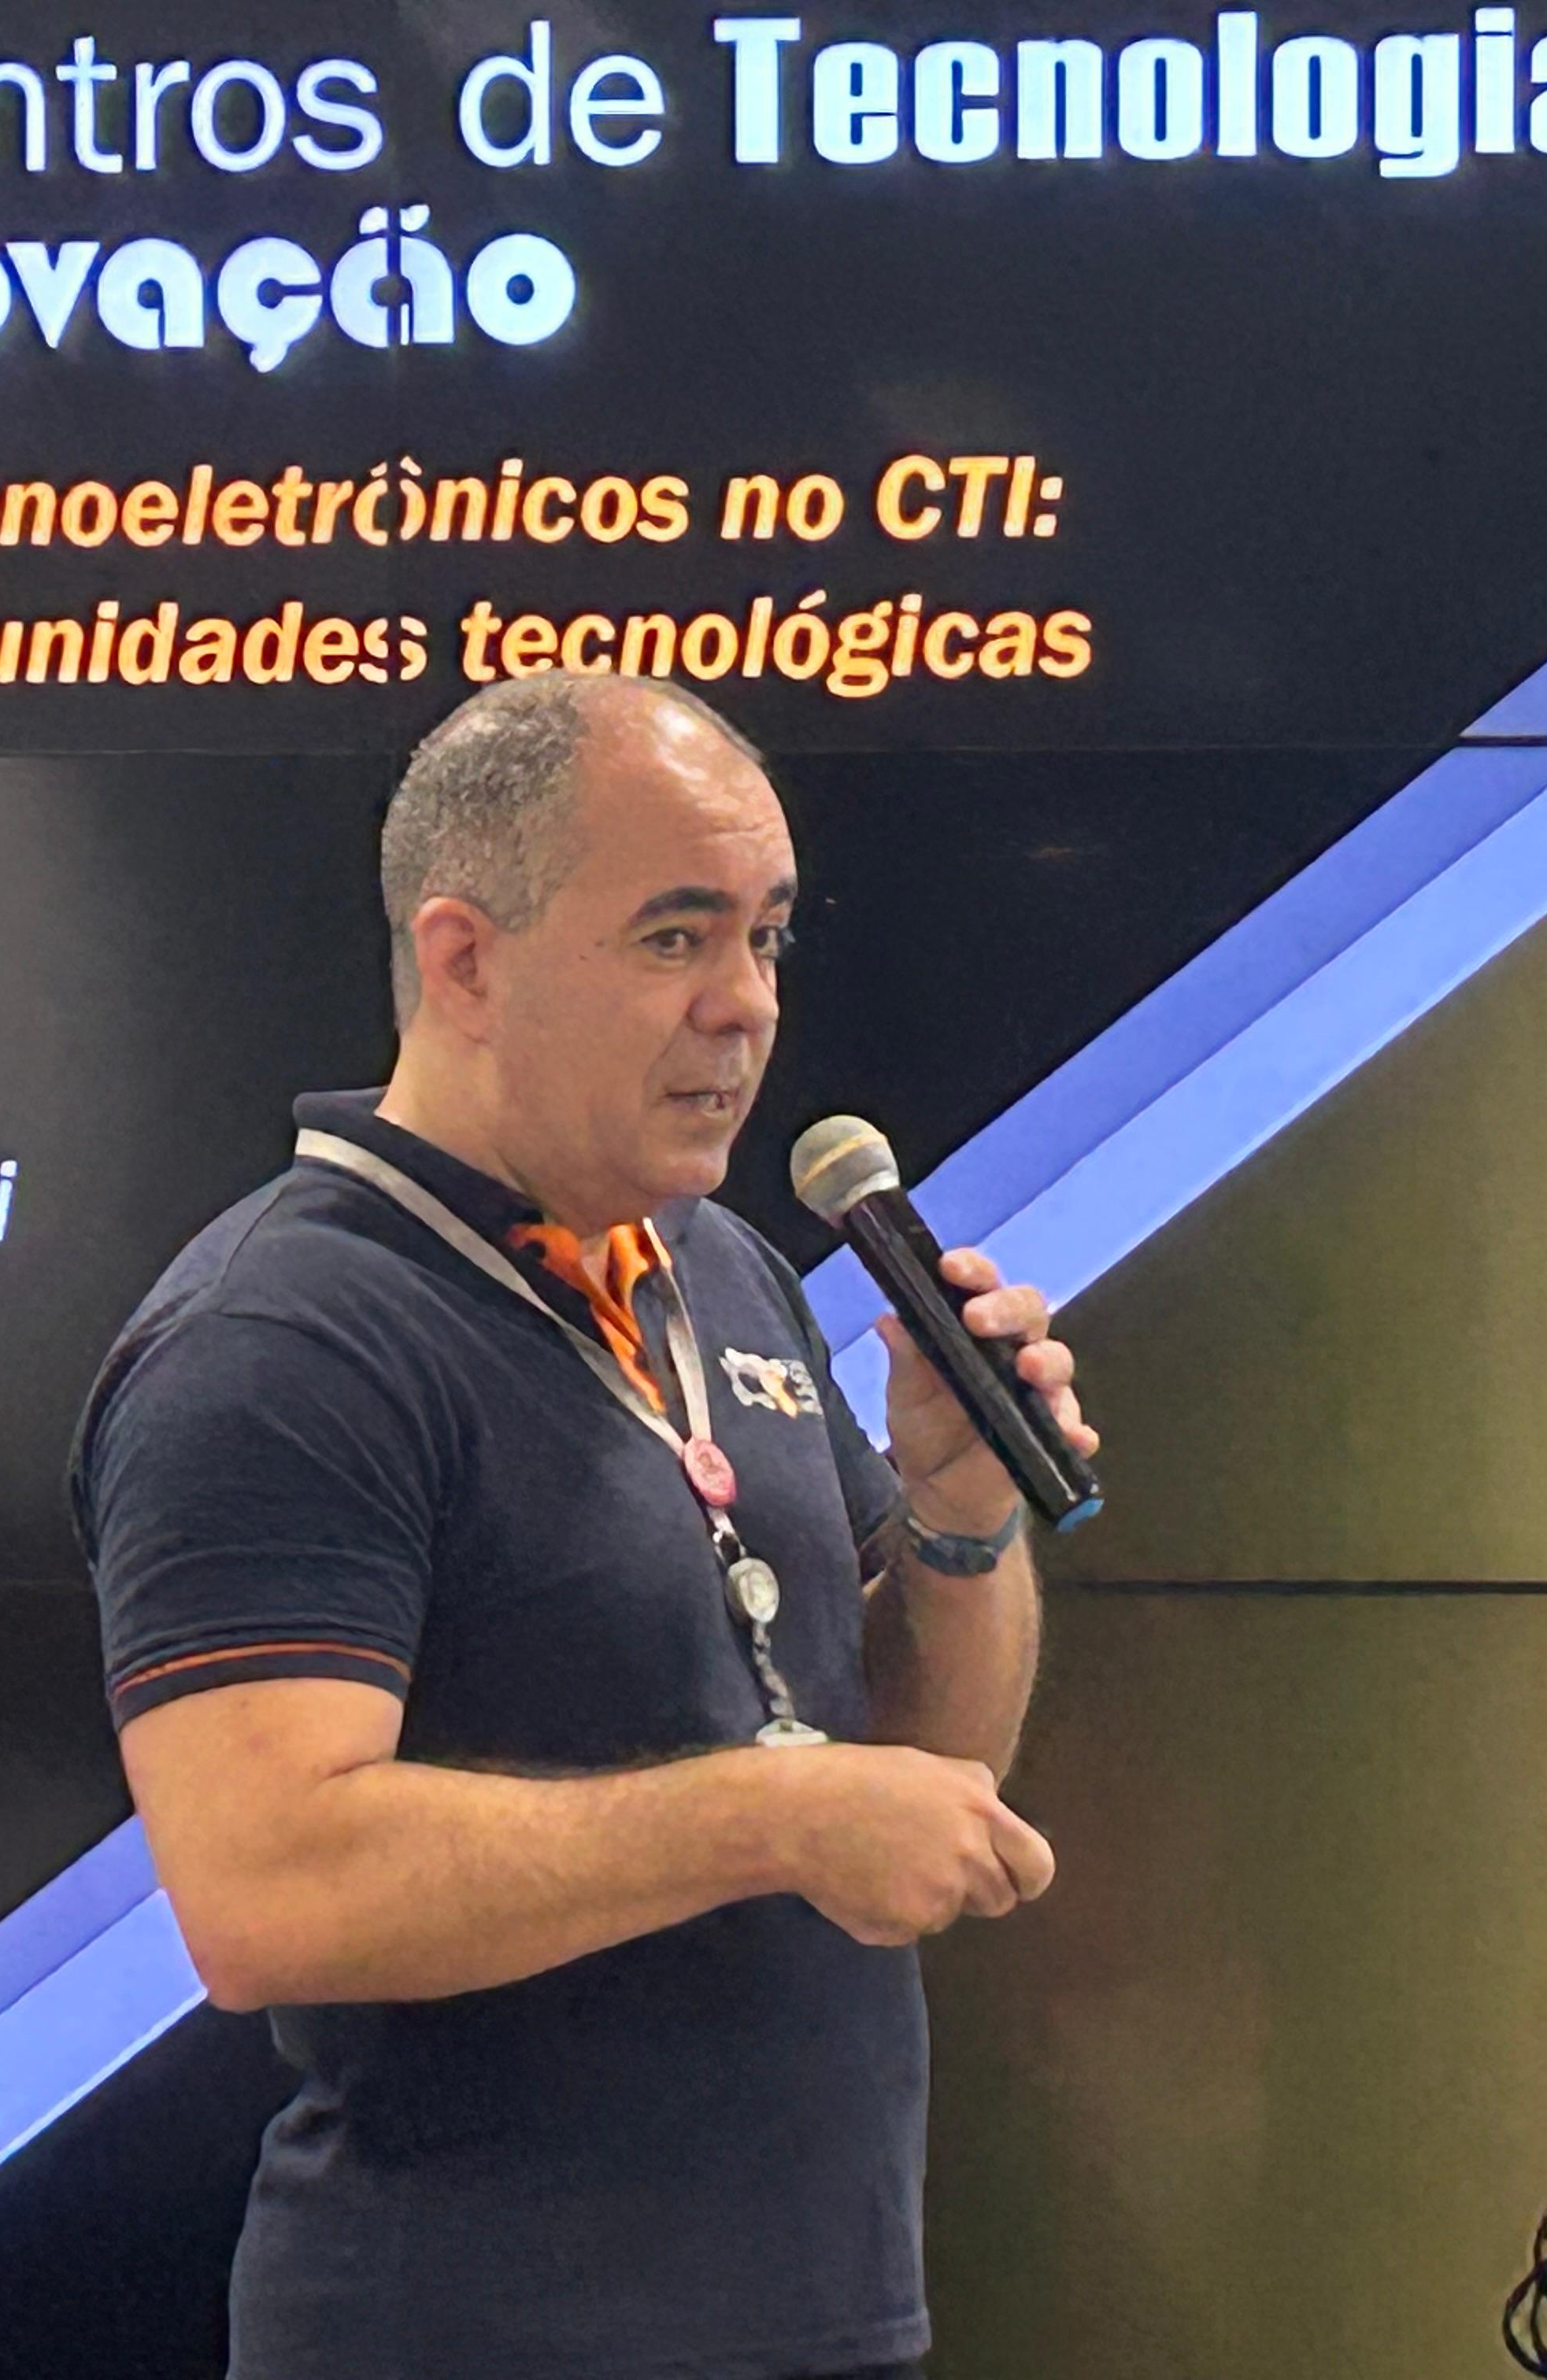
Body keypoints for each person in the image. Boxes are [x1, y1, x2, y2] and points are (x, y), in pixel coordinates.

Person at [70, 671, 1094, 2380]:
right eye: (674, 937)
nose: (744, 1005)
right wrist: (766, 1814)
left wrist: (960, 1523)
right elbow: (268, 1893)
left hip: (821, 2323)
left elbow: (919, 1783)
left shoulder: (724, 1269)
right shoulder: (281, 1340)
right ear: (465, 962)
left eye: (767, 936)